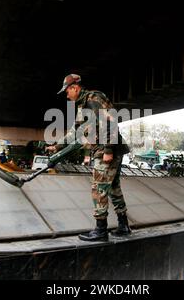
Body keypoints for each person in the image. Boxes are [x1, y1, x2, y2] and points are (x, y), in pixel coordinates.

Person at [46, 73, 131, 241]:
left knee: (98, 188)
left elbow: (111, 121)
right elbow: (75, 132)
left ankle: (101, 230)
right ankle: (123, 225)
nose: (66, 94)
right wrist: (57, 146)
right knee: (113, 188)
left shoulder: (93, 98)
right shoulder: (81, 106)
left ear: (75, 88)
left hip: (107, 150)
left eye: (67, 91)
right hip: (108, 149)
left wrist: (108, 149)